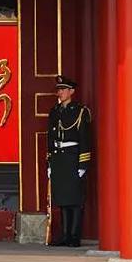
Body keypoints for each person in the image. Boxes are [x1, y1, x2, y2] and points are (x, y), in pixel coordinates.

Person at [47, 74, 91, 247]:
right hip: (59, 158)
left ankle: (74, 236)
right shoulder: (55, 111)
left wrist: (83, 164)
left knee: (75, 200)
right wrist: (50, 162)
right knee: (63, 200)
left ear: (71, 91)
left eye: (63, 89)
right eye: (58, 90)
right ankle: (65, 235)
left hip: (73, 157)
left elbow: (85, 139)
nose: (60, 93)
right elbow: (50, 138)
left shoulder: (80, 111)